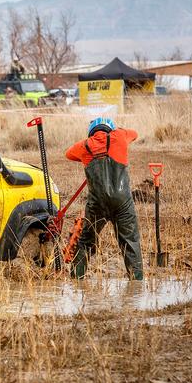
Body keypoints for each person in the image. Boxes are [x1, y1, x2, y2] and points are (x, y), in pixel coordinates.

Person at [65, 117, 143, 280]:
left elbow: (68, 154)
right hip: (122, 203)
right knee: (130, 242)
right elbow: (135, 134)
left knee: (86, 241)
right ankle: (136, 283)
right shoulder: (120, 136)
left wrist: (87, 155)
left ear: (92, 131)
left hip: (97, 205)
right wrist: (118, 134)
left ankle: (76, 281)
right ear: (111, 129)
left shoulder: (84, 146)